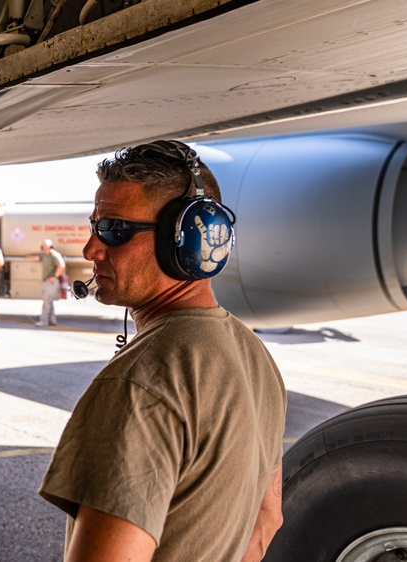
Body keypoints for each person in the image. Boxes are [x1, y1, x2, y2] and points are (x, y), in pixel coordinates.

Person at [38, 141, 287, 562]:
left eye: (114, 230)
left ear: (186, 241)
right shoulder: (254, 356)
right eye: (96, 227)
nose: (91, 250)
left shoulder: (141, 382)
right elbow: (265, 524)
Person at [36, 239, 66, 327]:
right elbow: (38, 258)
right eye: (43, 246)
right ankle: (52, 320)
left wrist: (54, 276)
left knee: (46, 302)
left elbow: (61, 266)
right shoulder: (45, 255)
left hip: (51, 282)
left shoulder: (54, 255)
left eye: (45, 246)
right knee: (49, 302)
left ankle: (43, 321)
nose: (44, 248)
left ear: (51, 246)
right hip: (47, 281)